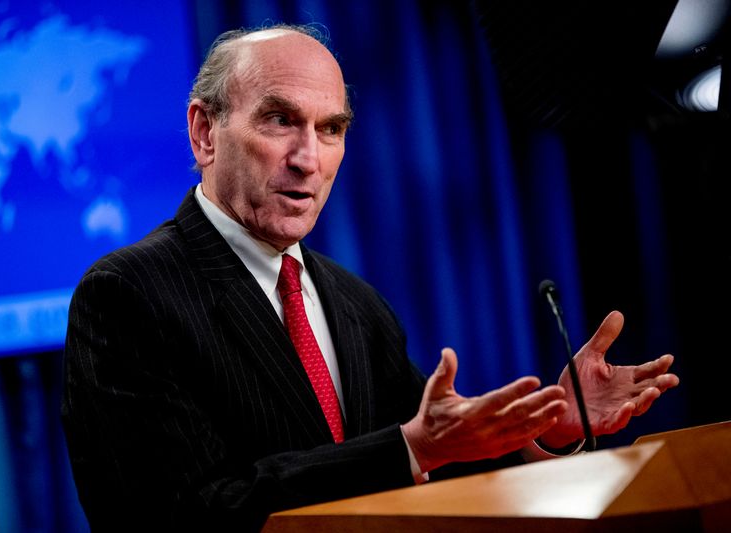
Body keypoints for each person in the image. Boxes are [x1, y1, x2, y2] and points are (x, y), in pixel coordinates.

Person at [61, 24, 679, 531]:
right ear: (204, 132)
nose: (308, 159)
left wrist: (541, 426)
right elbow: (180, 516)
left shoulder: (355, 304)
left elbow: (436, 467)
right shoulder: (128, 294)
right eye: (280, 120)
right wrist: (411, 446)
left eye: (330, 129)